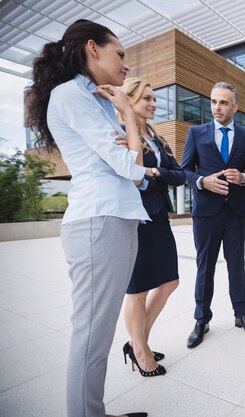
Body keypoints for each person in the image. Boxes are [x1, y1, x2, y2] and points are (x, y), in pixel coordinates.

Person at [25, 19, 149, 417]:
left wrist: (125, 129)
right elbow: (131, 166)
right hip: (99, 221)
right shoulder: (70, 95)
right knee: (92, 335)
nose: (127, 65)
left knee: (100, 331)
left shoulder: (95, 99)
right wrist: (129, 114)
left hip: (115, 217)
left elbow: (131, 162)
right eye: (121, 54)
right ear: (92, 49)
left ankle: (90, 410)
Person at [182, 81, 245, 348]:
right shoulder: (196, 133)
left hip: (235, 212)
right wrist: (202, 181)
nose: (217, 107)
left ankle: (242, 315)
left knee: (237, 264)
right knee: (205, 267)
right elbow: (185, 171)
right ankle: (201, 319)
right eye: (214, 101)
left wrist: (243, 178)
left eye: (224, 102)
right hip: (206, 213)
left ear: (235, 107)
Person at [117, 77, 185, 376]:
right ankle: (141, 350)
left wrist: (154, 171)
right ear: (129, 101)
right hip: (135, 217)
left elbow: (180, 174)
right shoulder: (121, 133)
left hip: (157, 215)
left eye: (154, 98)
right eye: (147, 98)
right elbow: (129, 174)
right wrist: (157, 174)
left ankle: (136, 341)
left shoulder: (157, 138)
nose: (154, 103)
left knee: (170, 281)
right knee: (138, 288)